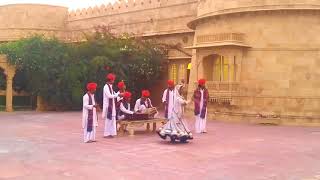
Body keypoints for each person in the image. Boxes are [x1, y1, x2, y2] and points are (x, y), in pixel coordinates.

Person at [102, 73, 122, 138]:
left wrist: (120, 92)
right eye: (113, 80)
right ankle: (106, 134)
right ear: (110, 80)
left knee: (112, 119)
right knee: (108, 120)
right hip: (108, 106)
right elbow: (109, 96)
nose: (114, 81)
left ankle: (110, 133)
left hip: (112, 106)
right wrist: (118, 95)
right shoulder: (105, 87)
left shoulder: (110, 87)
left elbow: (114, 94)